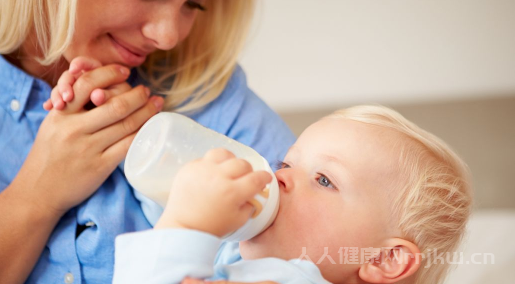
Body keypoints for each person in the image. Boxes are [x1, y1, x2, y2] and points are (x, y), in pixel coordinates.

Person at [0, 1, 296, 283]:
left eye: (192, 3)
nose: (167, 36)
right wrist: (36, 196)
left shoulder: (210, 97)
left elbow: (324, 244)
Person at [112, 105, 473, 284]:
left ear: (384, 258)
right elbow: (161, 211)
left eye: (324, 180)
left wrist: (188, 223)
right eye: (286, 162)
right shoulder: (238, 251)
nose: (280, 177)